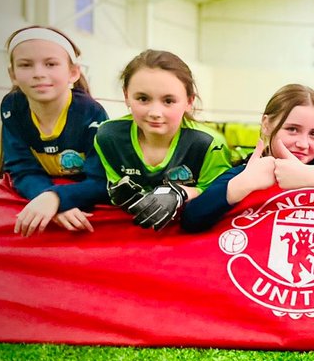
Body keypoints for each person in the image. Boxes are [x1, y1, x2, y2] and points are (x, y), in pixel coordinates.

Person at [182, 84, 314, 232]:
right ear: (266, 124)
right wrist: (242, 185)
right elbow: (192, 219)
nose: (303, 143)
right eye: (292, 129)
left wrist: (313, 175)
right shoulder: (247, 171)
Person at [93, 50, 236, 230]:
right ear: (126, 96)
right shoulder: (108, 136)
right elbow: (111, 188)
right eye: (143, 99)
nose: (155, 113)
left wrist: (180, 193)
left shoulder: (208, 144)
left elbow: (217, 193)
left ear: (189, 101)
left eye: (168, 101)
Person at [0, 25, 109, 236]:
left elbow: (102, 181)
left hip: (81, 194)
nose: (39, 74)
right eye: (26, 65)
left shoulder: (91, 113)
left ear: (73, 72)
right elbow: (21, 170)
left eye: (50, 64)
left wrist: (57, 198)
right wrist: (45, 198)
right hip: (42, 188)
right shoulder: (11, 107)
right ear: (12, 74)